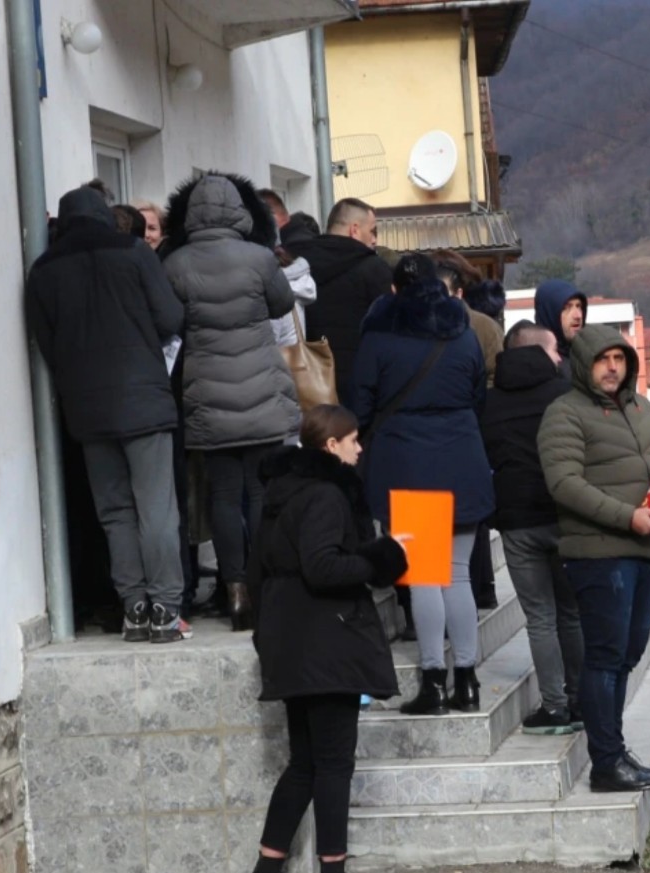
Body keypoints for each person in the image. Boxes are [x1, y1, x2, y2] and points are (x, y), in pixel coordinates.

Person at [242, 405, 408, 873]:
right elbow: (322, 566)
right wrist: (383, 555)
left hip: (292, 639)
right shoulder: (325, 494)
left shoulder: (281, 493)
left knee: (306, 764)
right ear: (331, 445)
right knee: (333, 764)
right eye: (354, 440)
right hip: (325, 641)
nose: (360, 449)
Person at [24, 186, 189, 642]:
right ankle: (165, 609)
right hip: (146, 402)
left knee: (115, 512)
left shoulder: (44, 270)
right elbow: (171, 318)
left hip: (88, 410)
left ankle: (134, 607)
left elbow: (47, 344)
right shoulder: (135, 252)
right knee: (157, 509)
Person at [538, 325, 650, 792]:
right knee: (604, 658)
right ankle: (606, 762)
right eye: (603, 360)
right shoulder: (564, 414)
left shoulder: (638, 405)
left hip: (645, 549)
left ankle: (615, 749)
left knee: (628, 654)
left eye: (620, 359)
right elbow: (564, 484)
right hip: (600, 555)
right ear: (583, 364)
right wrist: (629, 518)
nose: (612, 367)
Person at [353, 253, 495, 714]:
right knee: (457, 574)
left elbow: (361, 404)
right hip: (463, 460)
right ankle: (468, 681)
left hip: (408, 464)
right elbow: (476, 397)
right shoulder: (465, 336)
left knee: (425, 577)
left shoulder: (378, 339)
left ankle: (434, 681)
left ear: (393, 292)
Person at [161, 173, 299, 631]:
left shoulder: (176, 263)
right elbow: (281, 307)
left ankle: (234, 588)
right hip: (260, 387)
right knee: (259, 491)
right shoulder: (260, 258)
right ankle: (262, 585)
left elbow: (172, 322)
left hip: (208, 393)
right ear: (240, 210)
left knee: (222, 494)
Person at [481, 322, 583, 735]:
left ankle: (554, 707)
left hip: (516, 519)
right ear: (541, 352)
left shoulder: (487, 404)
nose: (560, 357)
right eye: (556, 350)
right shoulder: (563, 396)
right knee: (571, 613)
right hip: (564, 515)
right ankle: (579, 699)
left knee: (539, 617)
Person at [433, 250, 505, 611]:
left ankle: (434, 654)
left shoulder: (404, 328)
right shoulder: (484, 327)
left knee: (427, 580)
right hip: (469, 434)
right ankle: (483, 589)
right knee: (469, 518)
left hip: (421, 450)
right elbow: (495, 377)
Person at [293, 198, 394, 407]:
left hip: (308, 385)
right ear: (354, 230)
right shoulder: (374, 269)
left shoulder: (299, 265)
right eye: (372, 230)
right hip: (362, 388)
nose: (374, 239)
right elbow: (391, 332)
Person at [532, 279, 587, 358]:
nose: (578, 316)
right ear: (549, 314)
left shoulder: (588, 358)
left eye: (579, 306)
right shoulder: (537, 364)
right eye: (567, 308)